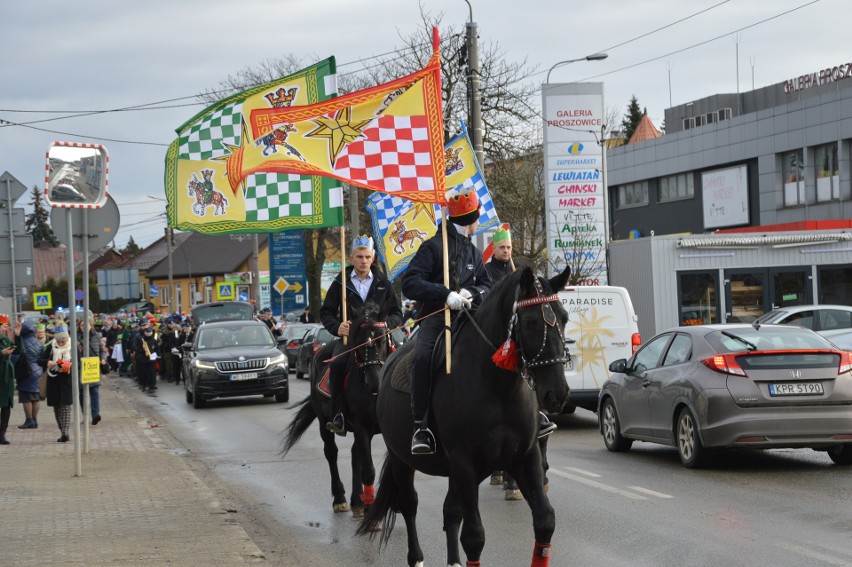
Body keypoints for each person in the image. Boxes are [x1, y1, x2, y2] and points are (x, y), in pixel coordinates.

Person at [402, 188, 492, 454]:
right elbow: (410, 283)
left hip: (469, 316)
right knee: (423, 358)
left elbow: (486, 283)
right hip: (435, 317)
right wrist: (444, 294)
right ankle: (421, 426)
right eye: (477, 218)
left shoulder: (474, 253)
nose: (478, 223)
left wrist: (471, 292)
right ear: (471, 218)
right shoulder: (432, 246)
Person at [320, 235, 403, 436]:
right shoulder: (341, 282)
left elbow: (397, 313)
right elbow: (326, 312)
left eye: (367, 256)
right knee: (338, 366)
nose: (363, 261)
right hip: (352, 340)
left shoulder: (384, 282)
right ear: (351, 258)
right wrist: (337, 327)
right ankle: (338, 414)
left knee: (406, 362)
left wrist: (386, 325)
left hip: (380, 338)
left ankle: (405, 411)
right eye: (359, 256)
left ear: (373, 258)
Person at [485, 227, 556, 439]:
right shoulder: (487, 272)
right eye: (502, 248)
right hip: (496, 333)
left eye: (508, 247)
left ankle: (537, 415)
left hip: (517, 332)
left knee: (530, 372)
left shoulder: (518, 272)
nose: (506, 251)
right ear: (494, 249)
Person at [39, 325, 73, 442]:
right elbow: (40, 360)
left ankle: (65, 432)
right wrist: (48, 362)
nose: (61, 343)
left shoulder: (73, 347)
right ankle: (62, 430)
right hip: (53, 382)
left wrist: (65, 365)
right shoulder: (51, 347)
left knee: (66, 407)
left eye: (63, 341)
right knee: (57, 408)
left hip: (67, 382)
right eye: (59, 341)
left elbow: (78, 363)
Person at [13, 320, 45, 430]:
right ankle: (35, 420)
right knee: (36, 397)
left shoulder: (21, 343)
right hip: (38, 372)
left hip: (26, 372)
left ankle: (29, 420)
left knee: (26, 397)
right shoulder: (39, 343)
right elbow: (42, 357)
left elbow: (16, 358)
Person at [77, 318, 103, 425]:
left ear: (91, 326)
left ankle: (95, 415)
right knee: (82, 394)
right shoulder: (75, 337)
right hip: (80, 368)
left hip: (93, 367)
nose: (84, 327)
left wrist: (104, 358)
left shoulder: (97, 336)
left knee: (94, 392)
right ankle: (85, 416)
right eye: (82, 325)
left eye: (86, 325)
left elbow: (101, 350)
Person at [0, 314, 17, 445]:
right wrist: (1, 353)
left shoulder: (5, 339)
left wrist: (18, 336)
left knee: (6, 406)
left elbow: (19, 351)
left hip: (7, 377)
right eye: (4, 325)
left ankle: (2, 434)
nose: (6, 328)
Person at [132, 318, 159, 393]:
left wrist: (155, 349)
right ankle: (143, 384)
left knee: (151, 372)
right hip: (141, 357)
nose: (145, 326)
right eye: (143, 325)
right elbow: (134, 346)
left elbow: (157, 341)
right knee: (142, 371)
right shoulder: (138, 335)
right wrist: (142, 350)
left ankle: (151, 385)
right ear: (140, 326)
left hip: (151, 356)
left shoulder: (152, 332)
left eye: (146, 324)